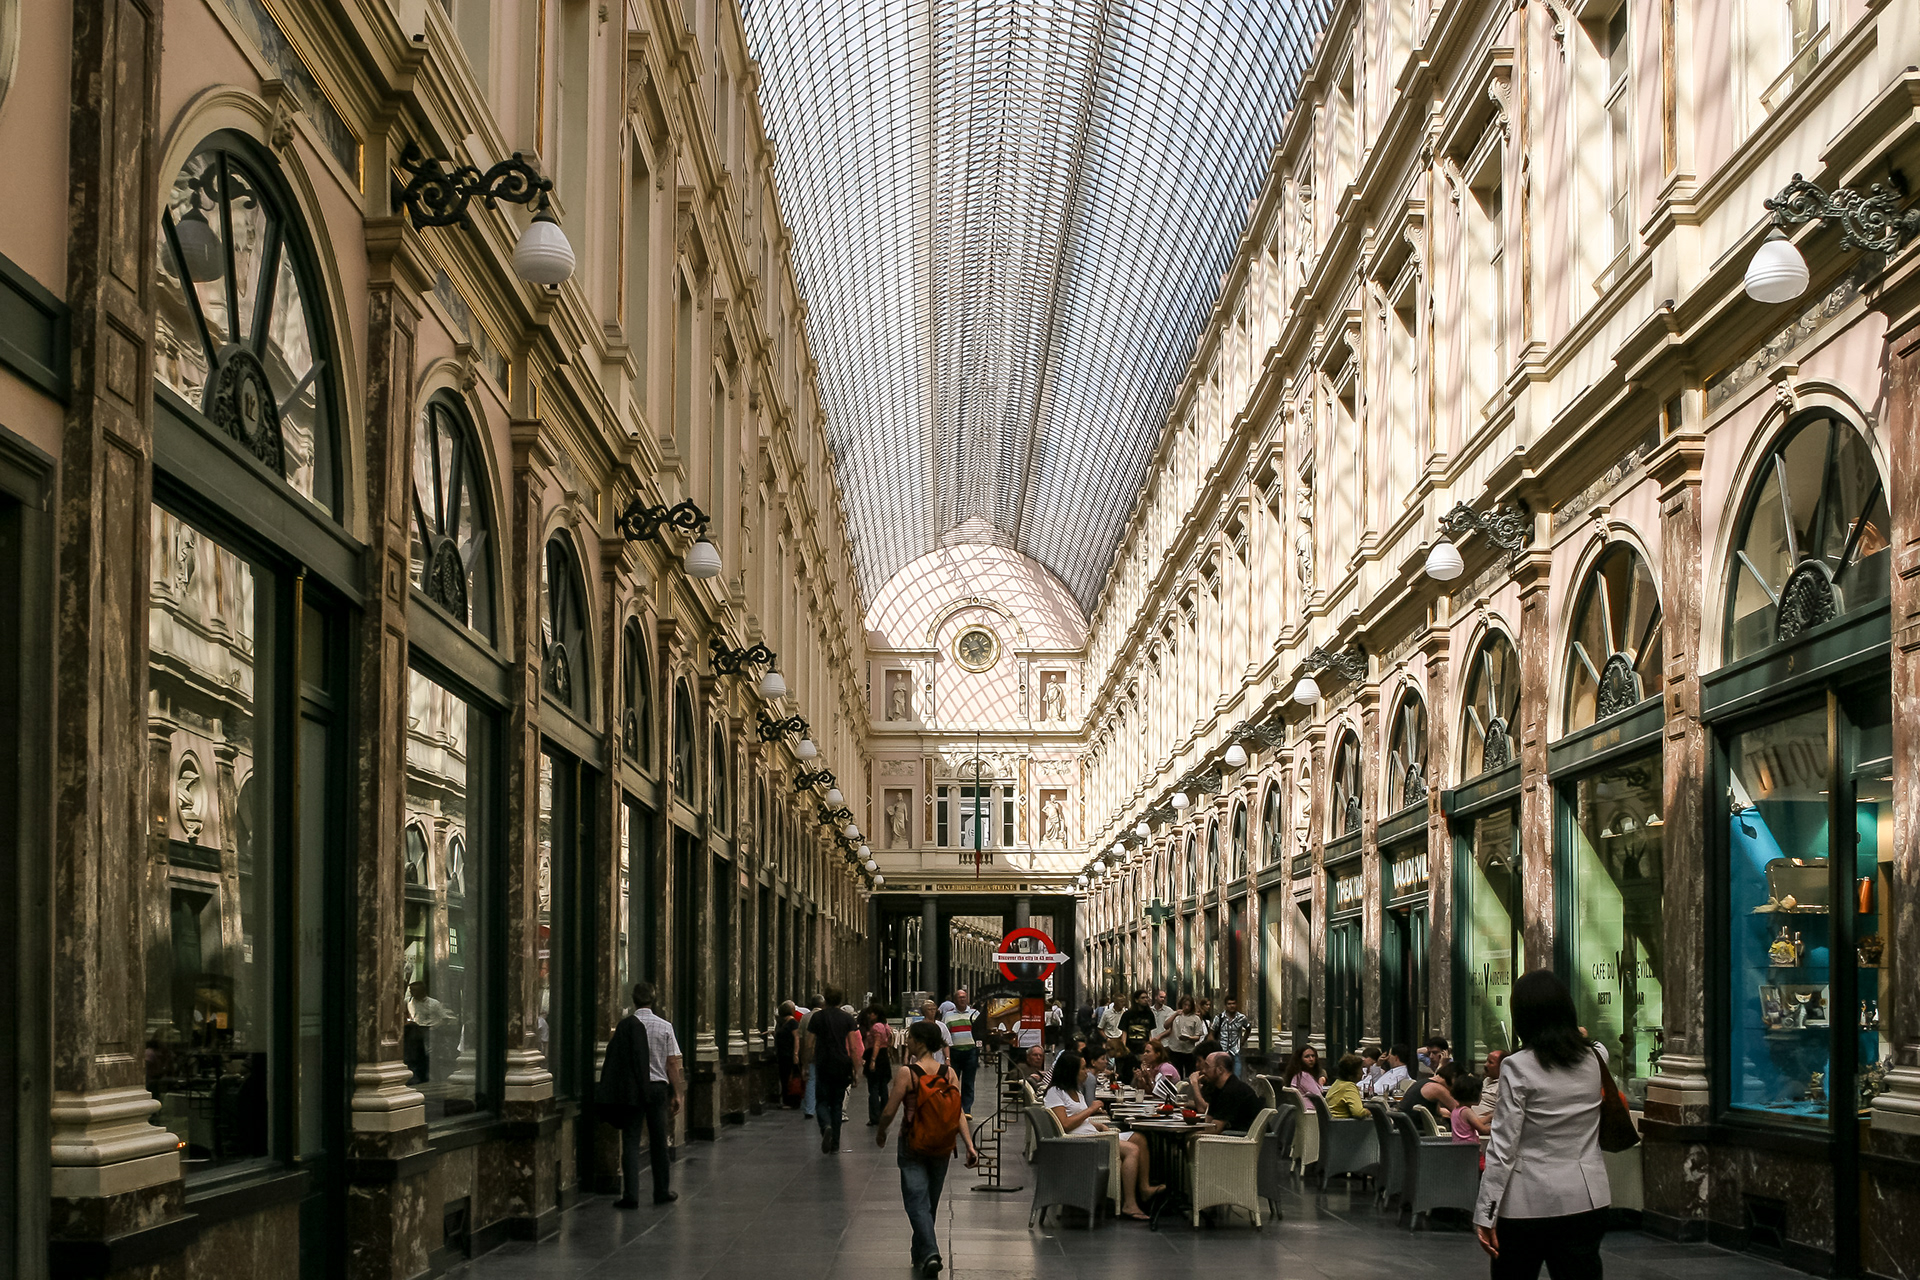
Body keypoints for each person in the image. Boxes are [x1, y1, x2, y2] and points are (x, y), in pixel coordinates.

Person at [1474, 970, 1612, 1279]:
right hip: (1587, 1197)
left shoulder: (1516, 1066)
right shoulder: (1597, 1056)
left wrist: (1486, 1212)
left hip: (1527, 1203)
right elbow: (1583, 1033)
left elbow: (1503, 1146)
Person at [876, 1020, 979, 1276]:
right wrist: (969, 1144)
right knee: (929, 1202)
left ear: (920, 1042)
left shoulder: (907, 1073)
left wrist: (881, 1131)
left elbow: (889, 1110)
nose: (907, 1041)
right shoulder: (948, 1073)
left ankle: (931, 1252)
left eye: (910, 1038)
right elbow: (958, 1112)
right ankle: (920, 1253)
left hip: (912, 1143)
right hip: (942, 1145)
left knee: (916, 1202)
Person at [1042, 1050, 1160, 1220]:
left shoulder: (1076, 1091)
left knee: (1139, 1138)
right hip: (1081, 1143)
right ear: (1071, 1071)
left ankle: (1144, 1188)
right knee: (1132, 1150)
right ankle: (1129, 1203)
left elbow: (1079, 1120)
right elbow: (1065, 1124)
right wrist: (1091, 1110)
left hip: (1091, 1134)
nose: (1086, 1072)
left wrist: (1098, 1125)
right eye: (1083, 1069)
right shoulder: (1056, 1092)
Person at [599, 982, 682, 1207]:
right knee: (658, 1140)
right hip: (657, 1089)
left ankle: (631, 1195)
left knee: (631, 1140)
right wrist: (677, 1093)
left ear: (633, 1000)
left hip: (633, 1090)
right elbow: (672, 1063)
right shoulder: (664, 1026)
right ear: (653, 1000)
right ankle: (662, 1191)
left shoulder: (624, 1027)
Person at [809, 984, 861, 1153]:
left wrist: (805, 1064)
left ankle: (826, 1126)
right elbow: (853, 1047)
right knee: (837, 1105)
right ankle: (835, 1144)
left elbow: (808, 1044)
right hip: (841, 1063)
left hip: (823, 1062)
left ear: (825, 998)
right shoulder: (847, 1019)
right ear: (841, 999)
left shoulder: (817, 1018)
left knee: (822, 1102)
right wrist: (856, 1070)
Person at [1195, 1051, 1264, 1135]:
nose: (1203, 1071)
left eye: (1207, 1067)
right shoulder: (1218, 1088)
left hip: (1242, 1139)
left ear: (1220, 1070)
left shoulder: (1232, 1090)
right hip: (1231, 1134)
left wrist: (1192, 1135)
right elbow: (1209, 1123)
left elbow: (1215, 1129)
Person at [942, 988, 981, 1115]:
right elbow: (944, 1034)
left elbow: (981, 1031)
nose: (962, 999)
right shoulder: (948, 1015)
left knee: (968, 1082)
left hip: (971, 1052)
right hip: (955, 1052)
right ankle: (954, 1107)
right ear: (955, 1000)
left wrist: (980, 1047)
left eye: (964, 997)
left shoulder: (975, 1014)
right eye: (959, 997)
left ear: (968, 999)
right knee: (953, 1081)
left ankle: (966, 1109)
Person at [1156, 994, 1206, 1076]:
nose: (1186, 1007)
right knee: (1177, 1072)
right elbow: (1166, 1026)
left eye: (1189, 1005)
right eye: (1185, 1005)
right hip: (1175, 1049)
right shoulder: (1174, 1015)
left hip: (1189, 1051)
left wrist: (1189, 1038)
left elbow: (1197, 1036)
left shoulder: (1196, 1018)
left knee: (1190, 1073)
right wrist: (1175, 1014)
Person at [863, 1006, 895, 1126]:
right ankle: (885, 1113)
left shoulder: (876, 1027)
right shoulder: (885, 1026)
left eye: (871, 1013)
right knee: (883, 1088)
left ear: (876, 1015)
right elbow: (890, 1039)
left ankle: (875, 1116)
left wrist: (872, 1060)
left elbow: (877, 1043)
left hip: (876, 1055)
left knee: (874, 1089)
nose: (869, 1016)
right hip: (884, 1057)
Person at [1116, 989, 1156, 1080]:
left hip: (1143, 1048)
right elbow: (1124, 1032)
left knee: (1143, 1073)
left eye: (1146, 997)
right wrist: (1124, 1048)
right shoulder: (1127, 1014)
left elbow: (1149, 1032)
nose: (1145, 1000)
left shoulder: (1149, 1014)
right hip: (1130, 1048)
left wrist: (1149, 1049)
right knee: (1129, 1074)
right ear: (1136, 1000)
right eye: (1143, 998)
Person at [1134, 1039, 1182, 1104]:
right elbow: (1149, 1091)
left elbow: (1160, 1092)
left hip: (1169, 1103)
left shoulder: (1166, 1068)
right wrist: (1140, 1079)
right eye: (1144, 1052)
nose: (1145, 1054)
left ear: (1157, 1054)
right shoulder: (1151, 1068)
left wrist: (1149, 1077)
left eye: (1148, 1052)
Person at [1213, 998, 1252, 1076]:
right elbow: (1212, 1031)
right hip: (1222, 1050)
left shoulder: (1241, 1018)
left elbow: (1248, 1028)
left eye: (1233, 1004)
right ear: (1225, 1006)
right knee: (1223, 1074)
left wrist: (1243, 1041)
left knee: (1237, 1073)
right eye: (1229, 1004)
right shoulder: (1219, 1018)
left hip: (1235, 1050)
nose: (1232, 1006)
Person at [797, 994, 820, 1118]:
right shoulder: (824, 1016)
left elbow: (800, 1037)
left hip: (809, 1053)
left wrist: (802, 1055)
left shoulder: (805, 1018)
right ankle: (822, 1107)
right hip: (823, 1054)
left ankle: (809, 1109)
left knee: (811, 1080)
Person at [775, 1001, 802, 1107]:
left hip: (788, 1055)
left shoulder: (793, 1023)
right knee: (785, 1077)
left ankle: (791, 1101)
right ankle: (787, 1100)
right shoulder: (785, 1024)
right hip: (783, 1054)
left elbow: (796, 1038)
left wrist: (795, 1054)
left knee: (789, 1078)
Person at [1325, 1052, 1368, 1118]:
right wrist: (1371, 1112)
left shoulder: (1337, 1083)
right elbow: (1358, 1112)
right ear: (1351, 1075)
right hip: (1345, 1125)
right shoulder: (1348, 1086)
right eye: (1360, 1069)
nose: (1363, 1072)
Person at [1452, 1073, 1490, 1142]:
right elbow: (1483, 1130)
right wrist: (1499, 1128)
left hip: (1459, 1149)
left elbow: (1475, 1122)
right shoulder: (1467, 1111)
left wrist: (1490, 1117)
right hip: (1470, 1149)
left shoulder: (1456, 1110)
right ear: (1473, 1094)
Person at [1477, 1050, 1506, 1122]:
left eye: (1490, 1062)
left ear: (1501, 1066)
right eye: (1487, 1061)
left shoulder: (1504, 1086)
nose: (1485, 1065)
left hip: (1481, 1124)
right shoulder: (1487, 1080)